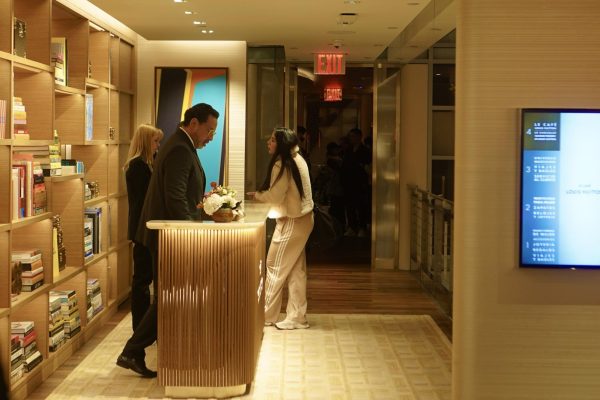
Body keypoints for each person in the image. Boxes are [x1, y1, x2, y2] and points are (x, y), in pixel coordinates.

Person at [116, 103, 219, 377]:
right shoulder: (178, 148)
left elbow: (180, 194)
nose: (211, 136)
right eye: (209, 130)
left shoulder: (180, 146)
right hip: (170, 236)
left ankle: (136, 350)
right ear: (193, 123)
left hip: (169, 233)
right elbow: (174, 197)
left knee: (171, 296)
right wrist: (190, 233)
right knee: (171, 295)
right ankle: (132, 349)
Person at [248, 127, 314, 330]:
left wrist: (257, 196)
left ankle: (266, 315)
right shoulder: (297, 158)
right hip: (304, 219)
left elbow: (275, 196)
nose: (268, 143)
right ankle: (297, 317)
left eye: (272, 140)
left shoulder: (282, 163)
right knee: (295, 270)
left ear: (281, 144)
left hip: (291, 221)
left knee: (274, 265)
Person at [123, 124, 163, 330]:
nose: (158, 146)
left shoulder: (147, 164)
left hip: (144, 228)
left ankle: (144, 325)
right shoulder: (137, 166)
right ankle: (139, 326)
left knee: (145, 278)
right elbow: (145, 200)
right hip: (142, 230)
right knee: (141, 280)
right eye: (155, 141)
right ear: (146, 141)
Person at [340, 128, 371, 238]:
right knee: (350, 206)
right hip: (348, 182)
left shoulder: (365, 151)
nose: (351, 139)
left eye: (353, 136)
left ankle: (362, 227)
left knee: (361, 205)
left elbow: (367, 166)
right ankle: (352, 227)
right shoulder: (348, 150)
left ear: (359, 137)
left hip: (360, 182)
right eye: (350, 136)